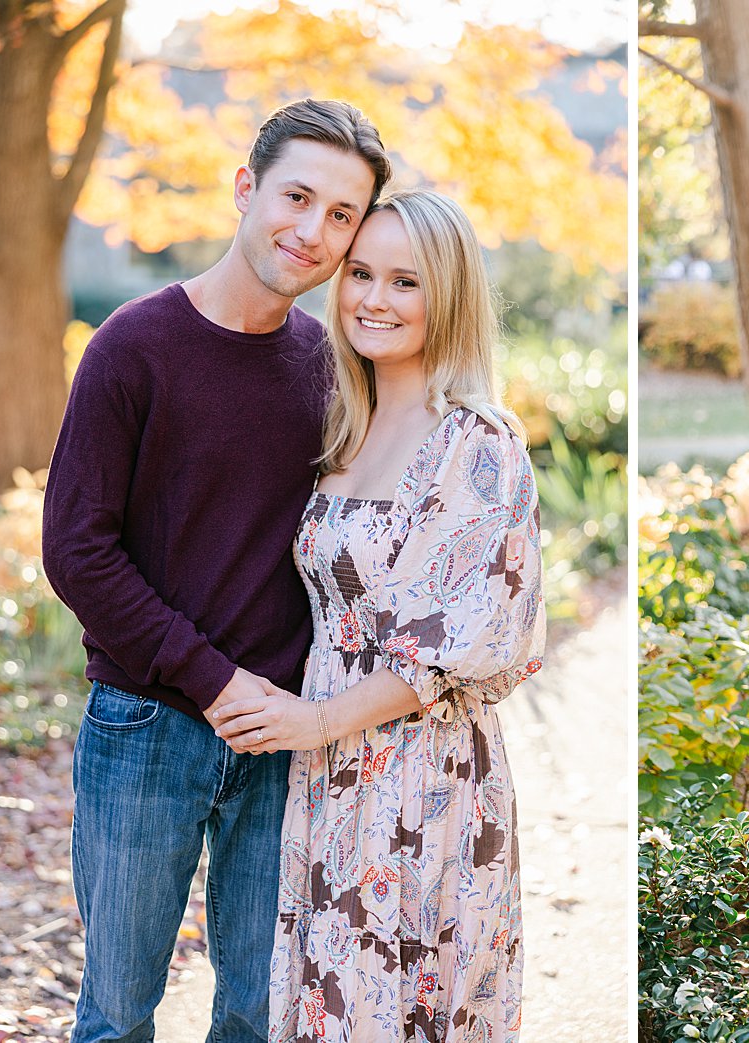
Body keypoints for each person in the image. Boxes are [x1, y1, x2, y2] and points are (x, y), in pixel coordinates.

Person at [42, 100, 390, 1042]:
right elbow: (76, 548)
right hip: (146, 726)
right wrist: (210, 676)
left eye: (341, 215)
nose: (312, 231)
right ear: (246, 189)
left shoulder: (331, 368)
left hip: (282, 737)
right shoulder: (132, 347)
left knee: (260, 1010)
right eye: (297, 197)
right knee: (117, 1014)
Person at [208, 190, 545, 1042]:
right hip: (327, 779)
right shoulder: (339, 425)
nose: (374, 299)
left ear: (449, 297)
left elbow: (446, 649)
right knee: (328, 1001)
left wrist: (310, 718)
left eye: (406, 281)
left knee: (402, 1007)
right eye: (361, 273)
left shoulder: (476, 444)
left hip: (424, 781)